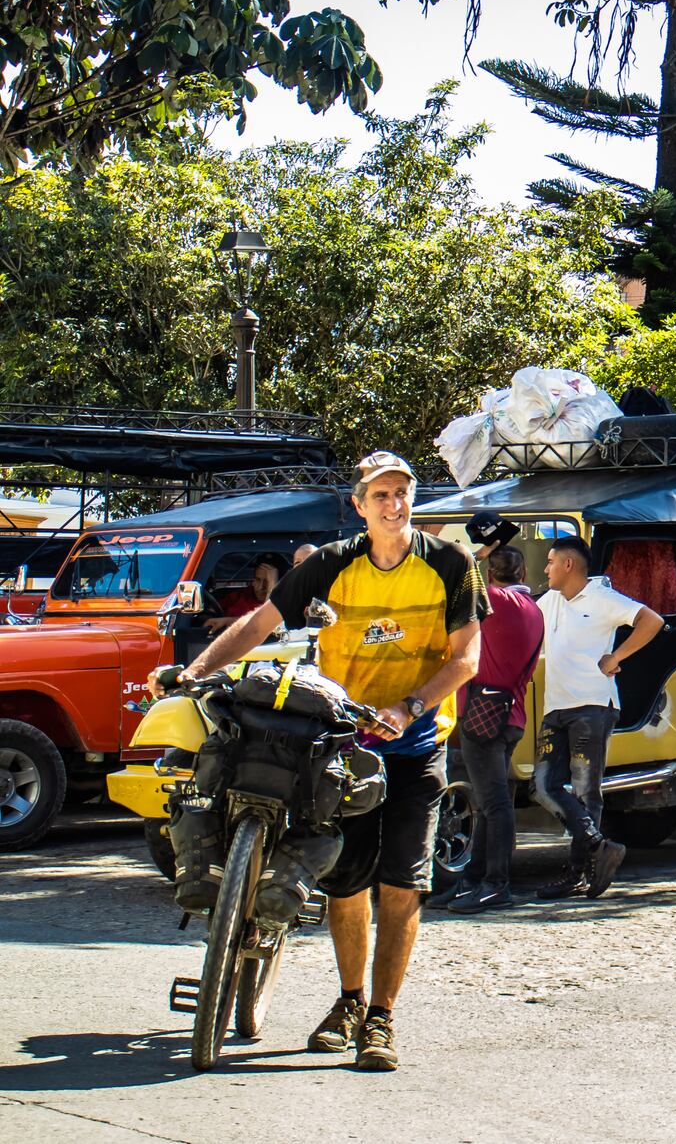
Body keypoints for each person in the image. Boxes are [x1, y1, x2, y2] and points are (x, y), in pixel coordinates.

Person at [178, 451, 488, 1072]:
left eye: (402, 492)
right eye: (380, 495)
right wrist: (194, 670)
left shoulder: (451, 565)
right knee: (346, 884)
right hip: (342, 746)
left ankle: (382, 1017)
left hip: (416, 743)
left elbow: (466, 659)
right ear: (359, 505)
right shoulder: (329, 563)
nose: (393, 504)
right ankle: (349, 1001)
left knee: (402, 887)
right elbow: (259, 624)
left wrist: (409, 707)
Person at [533, 535, 665, 901]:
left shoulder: (603, 598)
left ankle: (578, 873)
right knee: (543, 786)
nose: (546, 569)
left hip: (592, 705)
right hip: (555, 707)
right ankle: (598, 845)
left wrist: (616, 656)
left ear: (568, 565)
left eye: (550, 562)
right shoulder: (550, 600)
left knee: (586, 789)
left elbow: (650, 620)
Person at [446, 544, 542, 914]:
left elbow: (455, 578)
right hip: (509, 714)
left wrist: (475, 552)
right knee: (490, 803)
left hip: (483, 714)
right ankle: (476, 880)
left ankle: (495, 883)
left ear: (490, 575)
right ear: (522, 573)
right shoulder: (531, 607)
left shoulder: (497, 601)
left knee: (494, 804)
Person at [205, 553, 287, 631]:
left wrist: (272, 589)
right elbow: (211, 612)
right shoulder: (240, 595)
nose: (260, 587)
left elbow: (266, 623)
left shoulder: (284, 602)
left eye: (267, 582)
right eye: (258, 580)